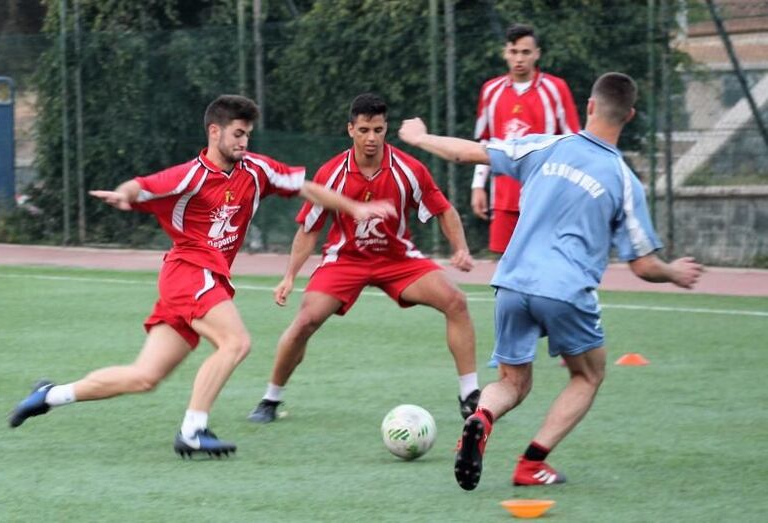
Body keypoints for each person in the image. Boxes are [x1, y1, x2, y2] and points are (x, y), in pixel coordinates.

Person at [8, 94, 394, 458]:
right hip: (191, 272)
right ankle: (193, 431)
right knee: (236, 342)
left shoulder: (257, 170)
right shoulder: (189, 176)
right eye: (237, 134)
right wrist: (125, 193)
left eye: (247, 134)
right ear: (215, 132)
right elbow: (142, 185)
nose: (244, 141)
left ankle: (49, 395)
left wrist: (352, 209)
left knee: (145, 377)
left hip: (197, 280)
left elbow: (308, 188)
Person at [398, 73, 703, 489]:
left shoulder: (546, 144)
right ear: (628, 116)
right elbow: (644, 266)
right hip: (564, 290)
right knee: (589, 375)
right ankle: (530, 464)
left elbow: (467, 153)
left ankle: (481, 418)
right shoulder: (624, 180)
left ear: (590, 106)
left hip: (512, 281)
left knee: (512, 382)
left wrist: (420, 136)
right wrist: (675, 273)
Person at [246, 93, 480, 424]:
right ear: (351, 130)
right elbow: (309, 229)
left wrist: (461, 248)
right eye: (365, 129)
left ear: (386, 129)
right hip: (346, 260)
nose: (372, 138)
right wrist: (289, 276)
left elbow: (443, 210)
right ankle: (270, 399)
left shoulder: (408, 169)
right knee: (305, 322)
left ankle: (470, 395)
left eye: (379, 129)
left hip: (397, 260)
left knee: (455, 301)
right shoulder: (332, 173)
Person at [471, 23, 580, 255]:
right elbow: (484, 141)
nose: (519, 58)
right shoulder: (491, 90)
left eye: (525, 52)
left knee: (545, 258)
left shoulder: (555, 89)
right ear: (505, 53)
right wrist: (478, 186)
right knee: (506, 262)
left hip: (545, 195)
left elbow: (574, 142)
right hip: (504, 195)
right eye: (513, 52)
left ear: (537, 54)